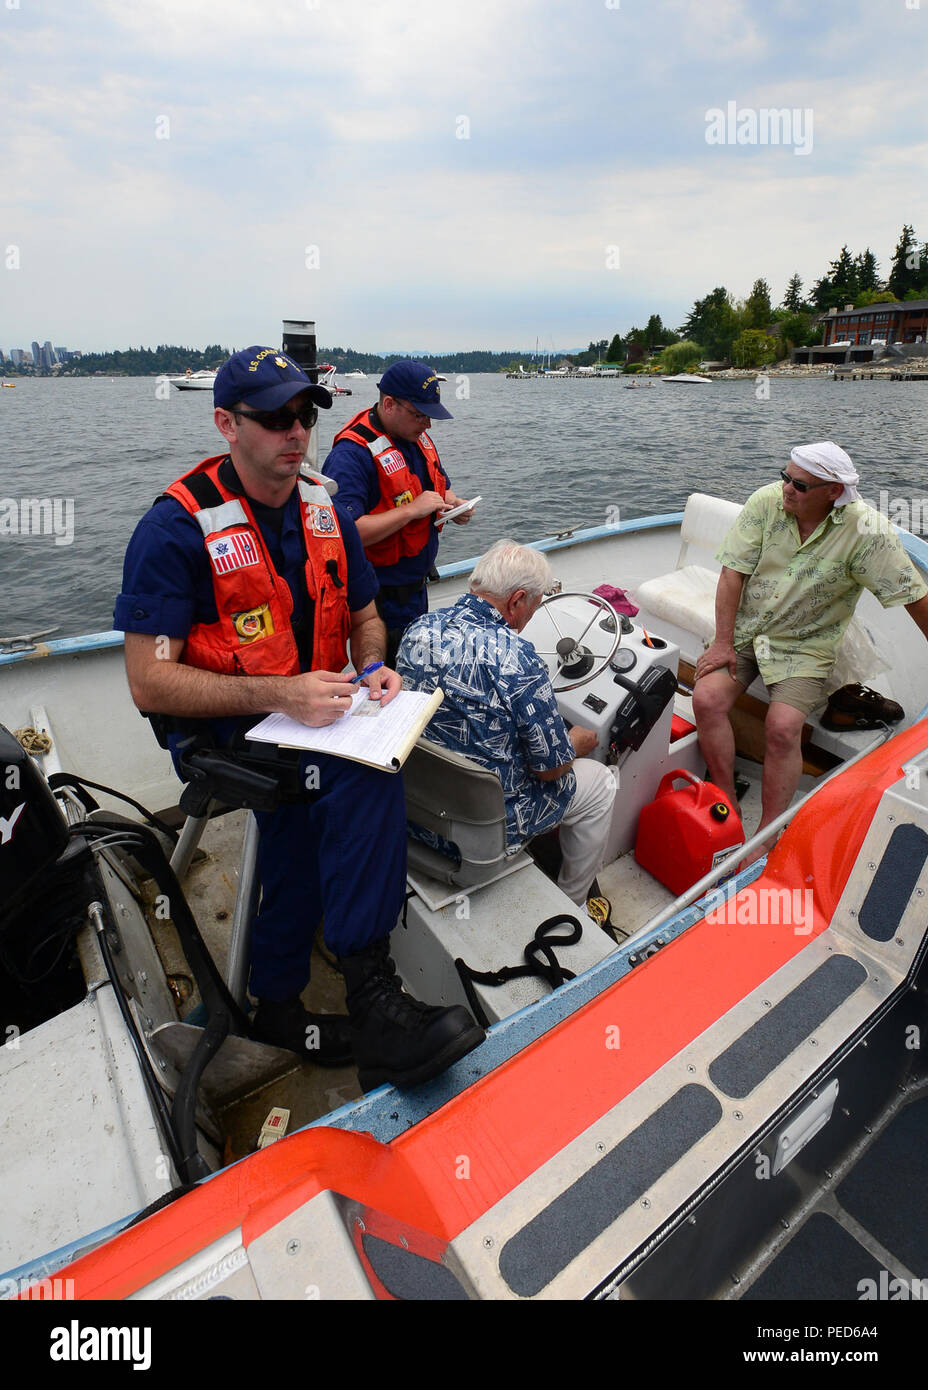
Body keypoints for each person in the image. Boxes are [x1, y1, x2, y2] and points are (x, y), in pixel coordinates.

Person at [114, 346, 483, 1091]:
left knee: (359, 765)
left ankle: (282, 997)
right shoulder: (176, 530)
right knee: (360, 781)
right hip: (226, 731)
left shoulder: (323, 507)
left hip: (311, 709)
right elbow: (150, 681)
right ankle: (372, 997)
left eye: (305, 413)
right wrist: (281, 695)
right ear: (226, 423)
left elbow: (366, 612)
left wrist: (373, 663)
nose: (296, 430)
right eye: (275, 417)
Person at [692, 441, 928, 865]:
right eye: (785, 477)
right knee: (707, 699)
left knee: (783, 727)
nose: (786, 489)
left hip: (806, 644)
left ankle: (767, 831)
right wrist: (725, 641)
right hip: (747, 631)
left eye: (799, 485)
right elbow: (732, 575)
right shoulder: (766, 502)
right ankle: (724, 792)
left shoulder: (865, 531)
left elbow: (912, 595)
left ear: (833, 492)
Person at [396, 539, 617, 918]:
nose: (531, 615)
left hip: (417, 814)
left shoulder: (417, 630)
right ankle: (573, 902)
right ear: (516, 601)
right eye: (534, 605)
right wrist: (574, 743)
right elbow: (550, 769)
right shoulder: (517, 657)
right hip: (486, 834)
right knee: (601, 781)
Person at [323, 360, 474, 665]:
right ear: (389, 404)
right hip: (379, 602)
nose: (428, 425)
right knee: (390, 682)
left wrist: (453, 504)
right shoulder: (352, 454)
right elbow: (342, 533)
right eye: (420, 415)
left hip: (416, 591)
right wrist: (412, 512)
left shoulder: (415, 436)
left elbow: (438, 486)